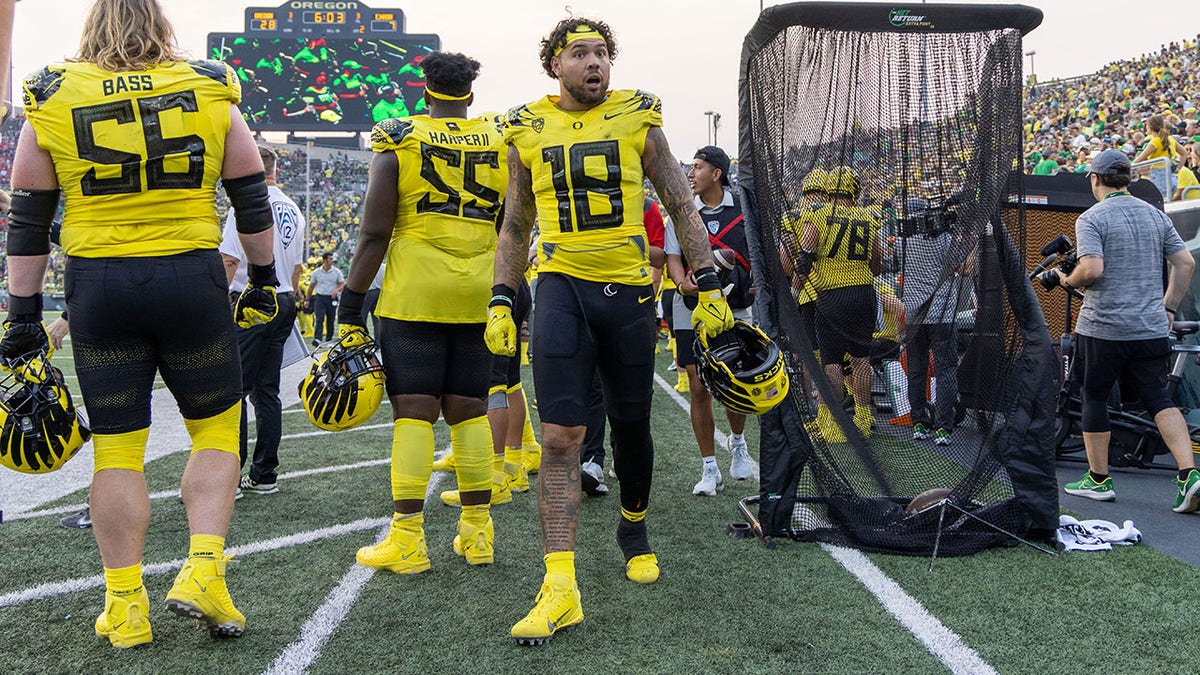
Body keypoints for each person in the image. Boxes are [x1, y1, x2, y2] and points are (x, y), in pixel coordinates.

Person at [2, 0, 279, 648]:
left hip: (101, 287)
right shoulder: (206, 84)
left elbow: (27, 219)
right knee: (215, 433)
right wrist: (265, 282)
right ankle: (204, 568)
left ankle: (126, 606)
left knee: (119, 450)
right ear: (161, 25)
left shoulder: (54, 92)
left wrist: (21, 315)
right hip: (190, 278)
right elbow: (250, 193)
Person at [487, 18, 734, 645]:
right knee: (561, 435)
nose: (594, 63)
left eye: (601, 53)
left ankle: (634, 526)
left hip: (627, 290)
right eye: (580, 53)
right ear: (554, 65)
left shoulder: (637, 116)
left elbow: (680, 202)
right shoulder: (525, 127)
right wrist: (501, 299)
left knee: (631, 423)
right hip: (561, 285)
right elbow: (516, 225)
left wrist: (705, 284)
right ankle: (560, 582)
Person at [335, 51, 507, 574]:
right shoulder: (501, 140)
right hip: (479, 291)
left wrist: (349, 308)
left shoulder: (400, 137)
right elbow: (511, 226)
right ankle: (478, 534)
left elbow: (373, 234)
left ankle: (408, 539)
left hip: (416, 292)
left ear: (424, 91)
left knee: (413, 412)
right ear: (471, 96)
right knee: (470, 410)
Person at [1051, 149, 1200, 512]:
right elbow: (1185, 263)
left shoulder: (1091, 218)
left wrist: (1067, 278)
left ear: (1095, 179)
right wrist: (1167, 306)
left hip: (1104, 328)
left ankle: (1098, 480)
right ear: (1129, 179)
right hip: (1149, 327)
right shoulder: (1154, 215)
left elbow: (1092, 270)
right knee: (1158, 399)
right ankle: (1189, 476)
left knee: (1095, 397)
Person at [664, 145, 756, 496]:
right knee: (698, 385)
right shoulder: (681, 212)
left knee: (734, 382)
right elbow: (673, 257)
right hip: (690, 305)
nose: (691, 173)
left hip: (734, 307)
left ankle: (738, 441)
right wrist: (679, 280)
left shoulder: (745, 210)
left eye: (698, 167)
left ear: (716, 173)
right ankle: (709, 467)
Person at [220, 144, 305, 496]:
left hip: (250, 300)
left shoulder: (246, 203)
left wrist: (213, 306)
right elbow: (298, 267)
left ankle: (230, 475)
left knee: (234, 390)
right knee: (267, 391)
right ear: (276, 170)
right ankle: (265, 472)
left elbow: (229, 260)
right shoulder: (294, 208)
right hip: (284, 298)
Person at [795, 166, 882, 442]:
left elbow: (804, 258)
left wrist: (794, 292)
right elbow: (878, 264)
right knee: (861, 360)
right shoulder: (869, 217)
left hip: (832, 294)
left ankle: (831, 423)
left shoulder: (818, 215)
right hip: (864, 294)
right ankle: (864, 419)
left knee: (831, 362)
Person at [898, 198, 967, 446]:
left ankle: (919, 423)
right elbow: (966, 269)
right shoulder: (945, 239)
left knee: (916, 370)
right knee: (945, 369)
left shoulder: (904, 241)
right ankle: (943, 427)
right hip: (942, 314)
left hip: (915, 315)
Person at [307, 251, 344, 345]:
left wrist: (337, 290)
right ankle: (317, 338)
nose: (332, 260)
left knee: (330, 319)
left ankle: (329, 339)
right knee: (319, 318)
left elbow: (342, 284)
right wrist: (307, 299)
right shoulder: (316, 272)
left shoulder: (336, 272)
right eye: (330, 258)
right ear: (325, 260)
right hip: (319, 297)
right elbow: (311, 286)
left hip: (331, 298)